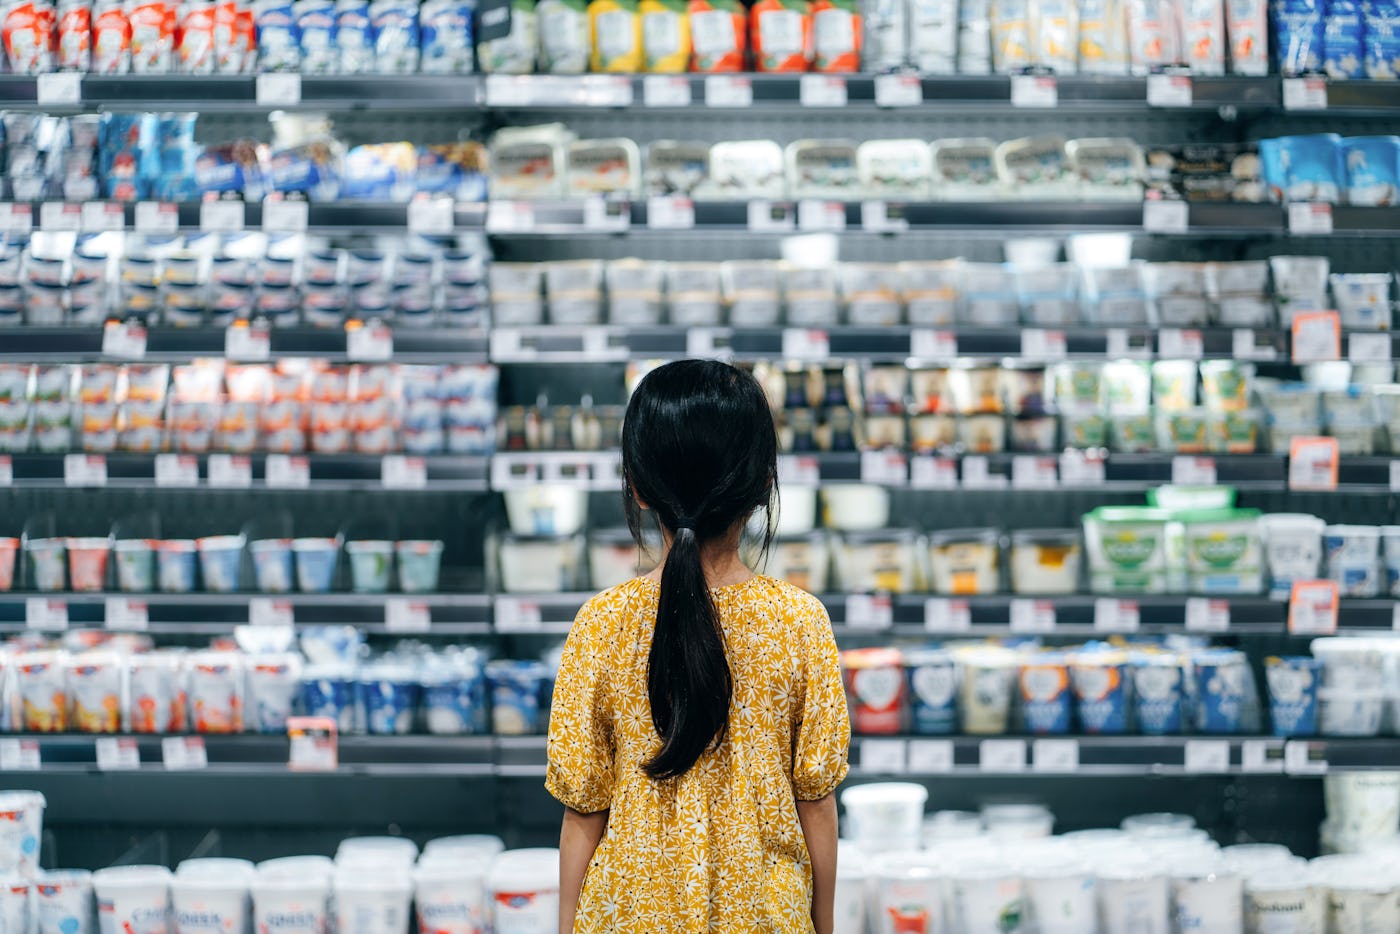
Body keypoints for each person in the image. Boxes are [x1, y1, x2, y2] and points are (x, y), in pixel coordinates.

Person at [546, 359, 851, 933]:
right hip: (763, 916)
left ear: (636, 487)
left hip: (629, 917)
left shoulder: (602, 623)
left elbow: (583, 807)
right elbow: (817, 801)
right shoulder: (799, 621)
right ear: (763, 483)